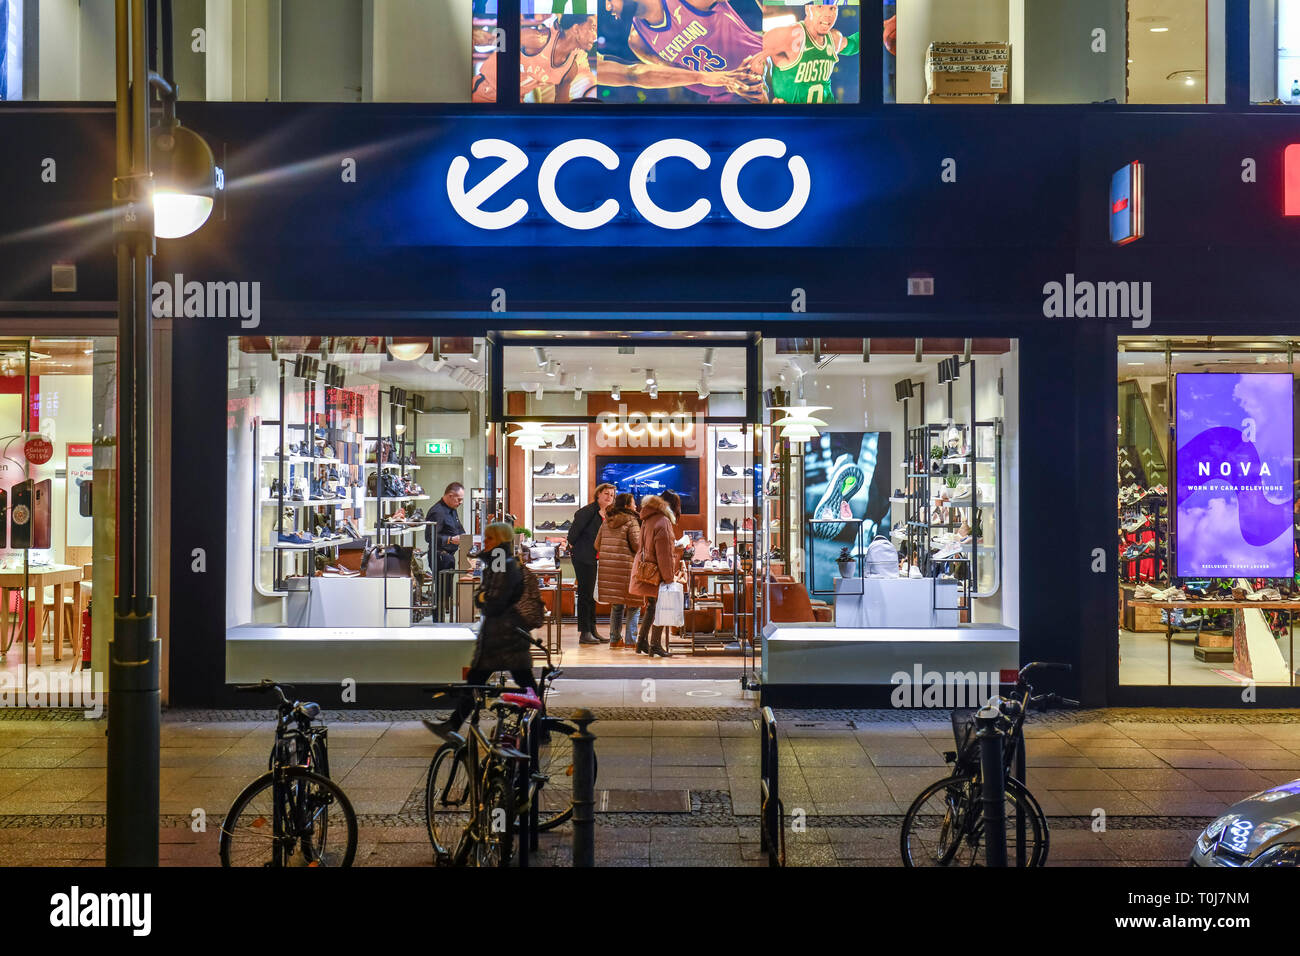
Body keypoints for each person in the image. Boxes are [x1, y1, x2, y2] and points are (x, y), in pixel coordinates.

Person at [424, 522, 538, 736]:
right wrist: (483, 597)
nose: (485, 542)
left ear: (500, 541)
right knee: (516, 681)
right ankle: (453, 725)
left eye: (489, 539)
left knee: (483, 681)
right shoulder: (501, 561)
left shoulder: (501, 562)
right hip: (504, 635)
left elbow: (492, 600)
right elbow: (487, 596)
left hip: (501, 637)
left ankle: (452, 725)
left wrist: (482, 597)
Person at [602, 0, 767, 103]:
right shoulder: (637, 40)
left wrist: (774, 37)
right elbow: (676, 75)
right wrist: (725, 82)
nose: (607, 6)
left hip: (764, 68)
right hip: (725, 95)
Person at [473, 13, 599, 103]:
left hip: (514, 104)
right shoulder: (537, 39)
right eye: (593, 28)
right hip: (484, 91)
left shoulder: (570, 69)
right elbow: (491, 39)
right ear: (576, 28)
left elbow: (561, 105)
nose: (595, 36)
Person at [762, 1, 859, 105]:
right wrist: (765, 104)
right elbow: (752, 59)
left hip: (829, 116)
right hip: (795, 118)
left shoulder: (834, 38)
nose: (828, 14)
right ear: (808, 9)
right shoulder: (788, 36)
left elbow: (853, 45)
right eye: (820, 7)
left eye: (832, 8)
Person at [631, 489, 681, 657]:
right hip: (657, 571)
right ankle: (655, 645)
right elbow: (664, 553)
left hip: (646, 568)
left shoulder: (648, 518)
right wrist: (668, 578)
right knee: (661, 606)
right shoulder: (663, 521)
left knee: (652, 606)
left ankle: (641, 642)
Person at [568, 483, 615, 645]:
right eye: (606, 494)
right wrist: (577, 548)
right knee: (585, 594)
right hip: (584, 558)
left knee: (592, 596)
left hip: (596, 558)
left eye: (611, 495)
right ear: (598, 495)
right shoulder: (587, 512)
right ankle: (584, 632)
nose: (609, 497)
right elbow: (572, 535)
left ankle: (592, 629)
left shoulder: (607, 513)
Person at [596, 492, 642, 648]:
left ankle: (615, 639)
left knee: (617, 605)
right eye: (634, 503)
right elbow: (637, 546)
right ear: (628, 506)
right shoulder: (632, 521)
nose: (636, 506)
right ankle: (631, 640)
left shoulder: (607, 520)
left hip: (609, 569)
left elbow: (597, 545)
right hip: (627, 568)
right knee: (634, 604)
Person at [426, 482, 466, 618]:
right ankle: (438, 621)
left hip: (448, 556)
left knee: (446, 591)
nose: (460, 502)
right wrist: (450, 540)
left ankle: (442, 618)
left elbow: (459, 529)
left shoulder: (452, 510)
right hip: (440, 556)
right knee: (442, 590)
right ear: (450, 495)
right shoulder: (437, 512)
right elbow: (429, 536)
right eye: (459, 499)